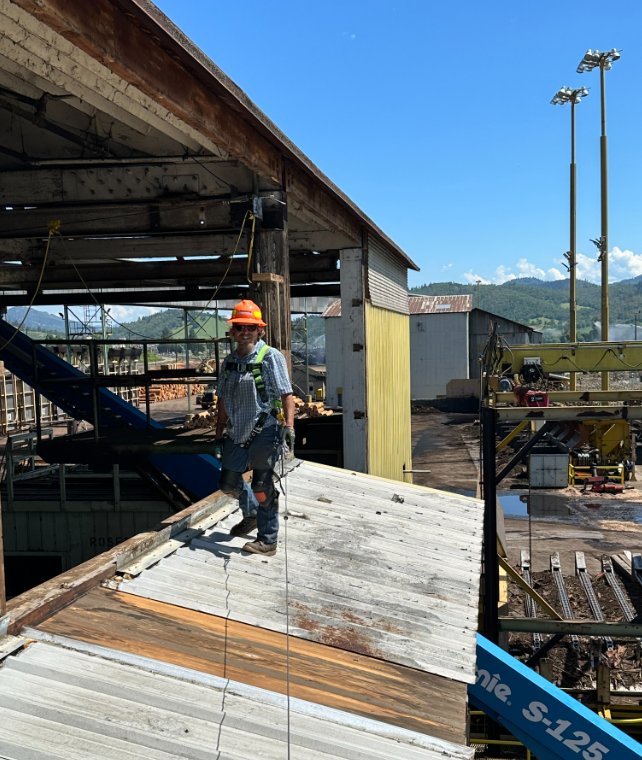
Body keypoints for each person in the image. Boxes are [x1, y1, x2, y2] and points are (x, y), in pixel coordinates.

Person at [215, 299, 295, 556]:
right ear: (233, 331)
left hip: (265, 430)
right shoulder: (228, 362)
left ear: (260, 330)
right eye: (240, 327)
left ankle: (267, 540)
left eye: (250, 327)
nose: (245, 332)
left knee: (262, 486)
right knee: (228, 484)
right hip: (236, 432)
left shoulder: (271, 357)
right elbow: (223, 398)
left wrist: (290, 426)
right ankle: (250, 512)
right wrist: (219, 430)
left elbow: (286, 395)